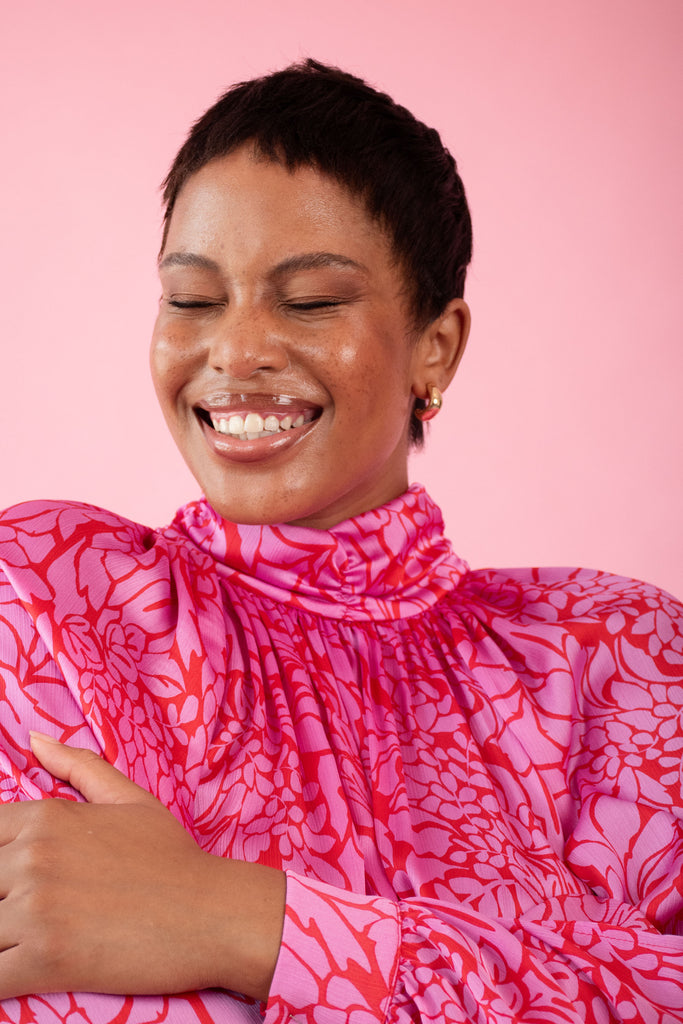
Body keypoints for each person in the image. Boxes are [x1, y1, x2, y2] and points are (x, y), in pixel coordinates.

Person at [0, 58, 681, 1024]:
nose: (234, 352)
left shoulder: (618, 661)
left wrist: (245, 922)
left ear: (435, 345)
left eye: (310, 300)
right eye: (191, 299)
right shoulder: (46, 603)